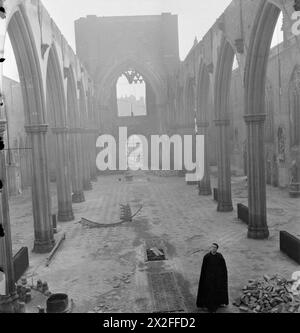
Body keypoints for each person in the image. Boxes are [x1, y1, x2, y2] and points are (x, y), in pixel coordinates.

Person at [196, 243, 229, 313]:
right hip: (208, 278)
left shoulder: (220, 256)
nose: (213, 248)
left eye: (215, 247)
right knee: (209, 292)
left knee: (216, 291)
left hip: (217, 278)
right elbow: (204, 269)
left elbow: (223, 267)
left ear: (217, 249)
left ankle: (218, 303)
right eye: (212, 247)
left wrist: (221, 276)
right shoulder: (206, 257)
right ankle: (208, 305)